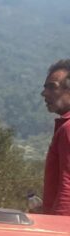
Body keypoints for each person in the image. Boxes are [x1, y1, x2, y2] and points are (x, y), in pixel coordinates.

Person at [41, 59, 70, 215]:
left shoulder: (68, 129)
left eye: (52, 87)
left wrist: (56, 226)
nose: (44, 93)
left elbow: (68, 187)